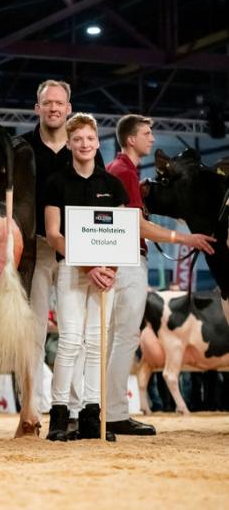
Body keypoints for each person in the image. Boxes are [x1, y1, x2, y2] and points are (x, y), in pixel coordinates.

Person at [104, 114, 215, 436]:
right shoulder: (123, 171)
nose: (152, 139)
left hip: (123, 260)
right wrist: (184, 238)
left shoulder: (124, 171)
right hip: (127, 260)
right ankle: (114, 414)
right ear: (130, 140)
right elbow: (136, 225)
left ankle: (111, 410)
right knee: (123, 339)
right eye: (146, 133)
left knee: (118, 339)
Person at [43, 113, 127, 442]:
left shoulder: (112, 185)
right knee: (69, 342)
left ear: (97, 141)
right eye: (77, 139)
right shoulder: (56, 184)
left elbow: (123, 234)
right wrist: (89, 265)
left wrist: (110, 268)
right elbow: (53, 234)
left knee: (96, 344)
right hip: (71, 272)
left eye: (90, 139)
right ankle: (60, 415)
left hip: (107, 275)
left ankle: (93, 416)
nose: (84, 144)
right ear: (68, 143)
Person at [23, 80, 103, 427]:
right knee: (35, 333)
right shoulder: (21, 148)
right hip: (37, 249)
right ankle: (30, 409)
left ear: (69, 108)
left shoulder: (85, 150)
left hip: (77, 253)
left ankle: (73, 408)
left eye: (59, 102)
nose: (54, 107)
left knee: (77, 333)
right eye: (47, 102)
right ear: (37, 107)